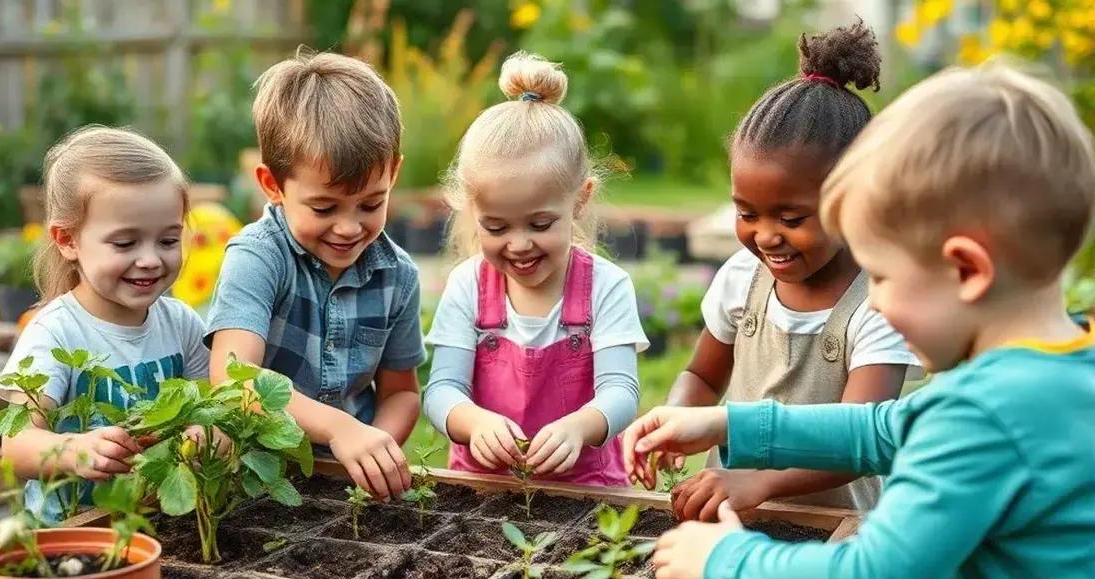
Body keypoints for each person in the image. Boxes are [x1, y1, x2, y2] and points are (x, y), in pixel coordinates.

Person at [627, 61, 1095, 579]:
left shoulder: (983, 417)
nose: (871, 302)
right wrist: (727, 425)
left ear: (967, 270)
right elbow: (879, 429)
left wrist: (727, 560)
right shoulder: (1060, 369)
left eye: (881, 276)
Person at [662, 20, 919, 515]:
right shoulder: (742, 279)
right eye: (746, 213)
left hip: (841, 532)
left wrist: (758, 482)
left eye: (791, 217)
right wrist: (677, 419)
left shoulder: (878, 304)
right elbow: (701, 374)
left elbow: (856, 442)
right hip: (739, 513)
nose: (765, 235)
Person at [206, 51, 425, 501]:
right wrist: (339, 428)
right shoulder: (259, 258)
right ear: (272, 185)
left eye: (370, 204)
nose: (349, 227)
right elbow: (234, 381)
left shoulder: (397, 275)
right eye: (324, 208)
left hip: (343, 483)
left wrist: (374, 451)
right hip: (259, 481)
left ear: (395, 172)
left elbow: (400, 392)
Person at [423, 52, 647, 485]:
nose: (520, 244)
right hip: (485, 488)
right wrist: (474, 423)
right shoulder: (468, 285)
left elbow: (622, 392)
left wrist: (579, 427)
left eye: (541, 224)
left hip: (587, 491)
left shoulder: (606, 286)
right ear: (471, 210)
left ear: (580, 200)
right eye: (496, 226)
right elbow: (440, 391)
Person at [0, 126, 210, 522]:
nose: (150, 259)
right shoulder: (54, 333)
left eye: (167, 240)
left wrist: (206, 434)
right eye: (125, 244)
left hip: (161, 522)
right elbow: (16, 446)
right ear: (67, 240)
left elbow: (207, 407)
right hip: (70, 532)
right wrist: (75, 451)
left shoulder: (181, 323)